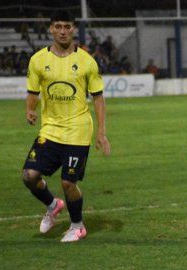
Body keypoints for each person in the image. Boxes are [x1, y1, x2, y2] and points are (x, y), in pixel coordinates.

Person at [22, 10, 111, 242]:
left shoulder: (86, 61)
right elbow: (33, 91)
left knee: (67, 182)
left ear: (74, 29)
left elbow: (99, 98)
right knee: (29, 175)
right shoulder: (38, 60)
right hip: (50, 129)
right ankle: (52, 206)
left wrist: (101, 132)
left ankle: (77, 226)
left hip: (78, 131)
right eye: (58, 26)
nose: (63, 31)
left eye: (67, 26)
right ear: (51, 29)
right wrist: (30, 109)